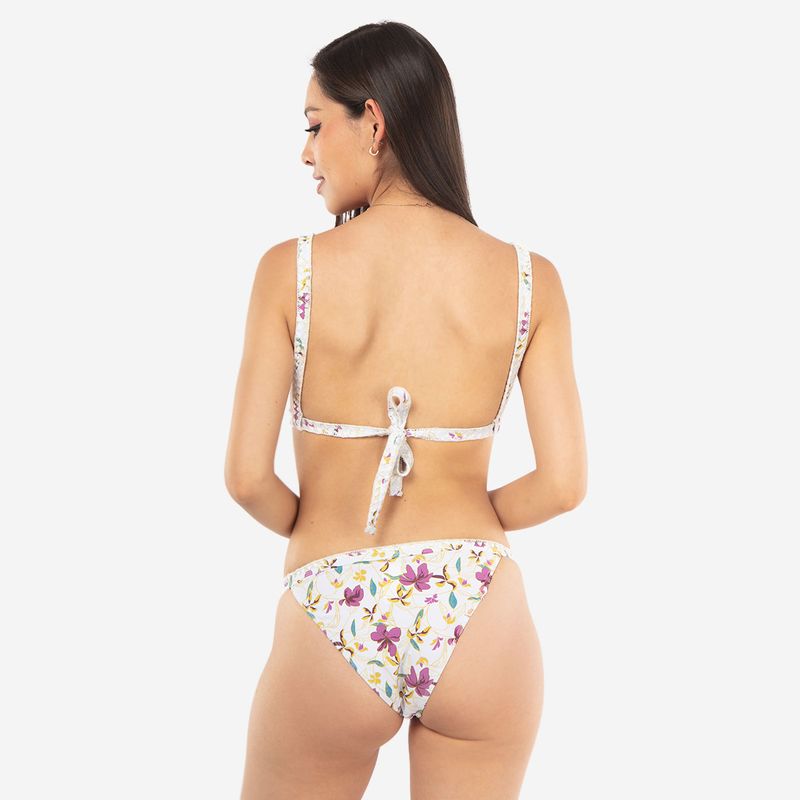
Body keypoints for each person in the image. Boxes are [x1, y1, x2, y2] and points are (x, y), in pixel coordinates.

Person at [225, 20, 587, 800]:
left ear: (374, 122)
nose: (306, 154)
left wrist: (324, 530)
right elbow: (563, 486)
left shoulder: (291, 272)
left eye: (315, 125)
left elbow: (247, 478)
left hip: (336, 598)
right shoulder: (531, 280)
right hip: (478, 602)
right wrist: (461, 514)